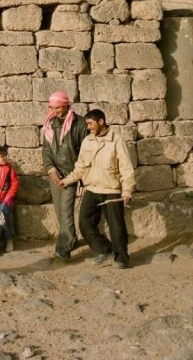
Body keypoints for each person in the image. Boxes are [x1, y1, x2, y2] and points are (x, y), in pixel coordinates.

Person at [58, 109, 136, 269]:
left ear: (101, 121)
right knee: (84, 223)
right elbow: (80, 166)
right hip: (92, 189)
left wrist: (127, 190)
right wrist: (68, 180)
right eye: (87, 124)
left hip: (111, 190)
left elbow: (126, 167)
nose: (88, 127)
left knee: (116, 226)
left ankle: (121, 257)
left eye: (90, 123)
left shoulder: (116, 140)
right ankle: (104, 250)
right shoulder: (87, 141)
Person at [42, 91, 89, 262]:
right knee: (58, 210)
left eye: (58, 108)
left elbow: (85, 151)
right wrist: (51, 170)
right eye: (52, 108)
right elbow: (46, 151)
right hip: (55, 173)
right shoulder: (50, 124)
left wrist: (77, 174)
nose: (55, 111)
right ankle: (71, 238)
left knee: (66, 210)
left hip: (70, 174)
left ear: (66, 105)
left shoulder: (80, 124)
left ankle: (64, 247)